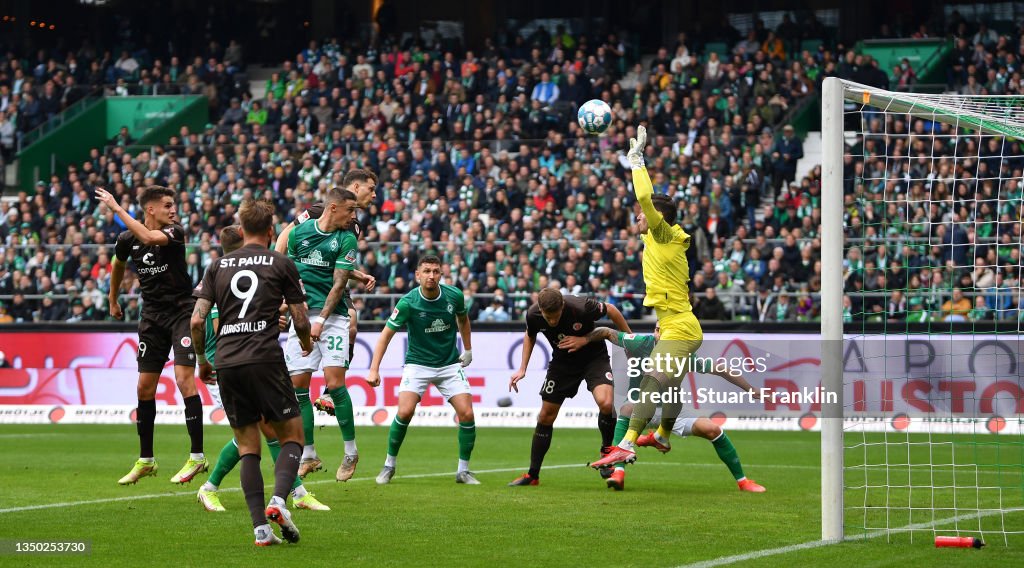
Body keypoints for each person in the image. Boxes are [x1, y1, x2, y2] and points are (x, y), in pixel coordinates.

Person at [191, 199, 311, 546]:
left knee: (248, 447)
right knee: (292, 436)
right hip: (264, 358)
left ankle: (261, 530)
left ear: (241, 231)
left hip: (227, 361)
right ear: (271, 231)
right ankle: (278, 501)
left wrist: (202, 359)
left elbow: (197, 320)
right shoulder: (281, 262)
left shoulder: (218, 265)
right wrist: (304, 342)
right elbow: (300, 318)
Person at [590, 125, 704, 471]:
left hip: (681, 329)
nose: (638, 216)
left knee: (650, 381)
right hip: (674, 324)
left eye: (644, 215)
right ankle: (663, 433)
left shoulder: (663, 232)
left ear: (658, 219)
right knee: (669, 391)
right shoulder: (657, 241)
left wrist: (636, 162)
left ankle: (626, 444)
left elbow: (644, 200)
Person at [566, 323, 765, 492]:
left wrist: (751, 389)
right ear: (654, 331)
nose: (660, 334)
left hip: (671, 410)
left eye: (666, 331)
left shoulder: (681, 354)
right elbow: (607, 332)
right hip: (640, 409)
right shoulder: (640, 343)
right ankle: (619, 474)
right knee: (627, 407)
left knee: (713, 430)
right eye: (658, 330)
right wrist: (584, 340)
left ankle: (743, 482)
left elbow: (720, 369)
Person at [97, 186, 206, 486]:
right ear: (150, 209)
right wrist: (113, 299)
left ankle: (197, 456)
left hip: (182, 313)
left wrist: (117, 209)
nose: (174, 210)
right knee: (144, 387)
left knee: (184, 379)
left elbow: (147, 237)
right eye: (168, 205)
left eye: (174, 205)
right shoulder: (126, 240)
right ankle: (146, 460)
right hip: (152, 318)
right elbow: (118, 265)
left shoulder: (175, 233)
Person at [274, 169, 378, 440]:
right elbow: (287, 234)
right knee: (350, 323)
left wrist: (357, 274)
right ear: (356, 187)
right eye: (371, 189)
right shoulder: (319, 210)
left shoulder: (352, 224)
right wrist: (276, 264)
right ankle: (327, 397)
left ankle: (331, 392)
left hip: (333, 281)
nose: (374, 195)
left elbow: (334, 262)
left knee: (352, 325)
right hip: (315, 288)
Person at [366, 255, 478, 485]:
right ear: (417, 275)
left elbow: (463, 320)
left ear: (441, 274)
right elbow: (385, 336)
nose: (431, 276)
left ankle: (463, 471)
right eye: (426, 271)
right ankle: (389, 465)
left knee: (467, 413)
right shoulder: (408, 303)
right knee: (405, 412)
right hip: (418, 364)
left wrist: (468, 349)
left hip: (448, 364)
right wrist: (374, 369)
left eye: (436, 271)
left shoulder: (454, 295)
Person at [282, 187, 366, 482]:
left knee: (334, 382)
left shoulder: (346, 238)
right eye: (350, 211)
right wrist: (291, 304)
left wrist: (320, 320)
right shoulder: (299, 233)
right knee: (298, 387)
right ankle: (309, 455)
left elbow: (338, 283)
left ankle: (351, 451)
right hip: (302, 316)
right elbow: (290, 272)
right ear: (333, 209)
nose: (354, 217)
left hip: (333, 317)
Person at [507, 288, 631, 486]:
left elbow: (612, 310)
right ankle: (533, 475)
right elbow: (530, 335)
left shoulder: (581, 307)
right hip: (563, 363)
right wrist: (522, 368)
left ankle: (606, 451)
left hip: (594, 358)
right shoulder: (533, 314)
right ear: (540, 309)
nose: (553, 322)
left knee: (606, 403)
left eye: (556, 317)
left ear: (562, 306)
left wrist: (630, 340)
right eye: (549, 318)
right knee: (546, 415)